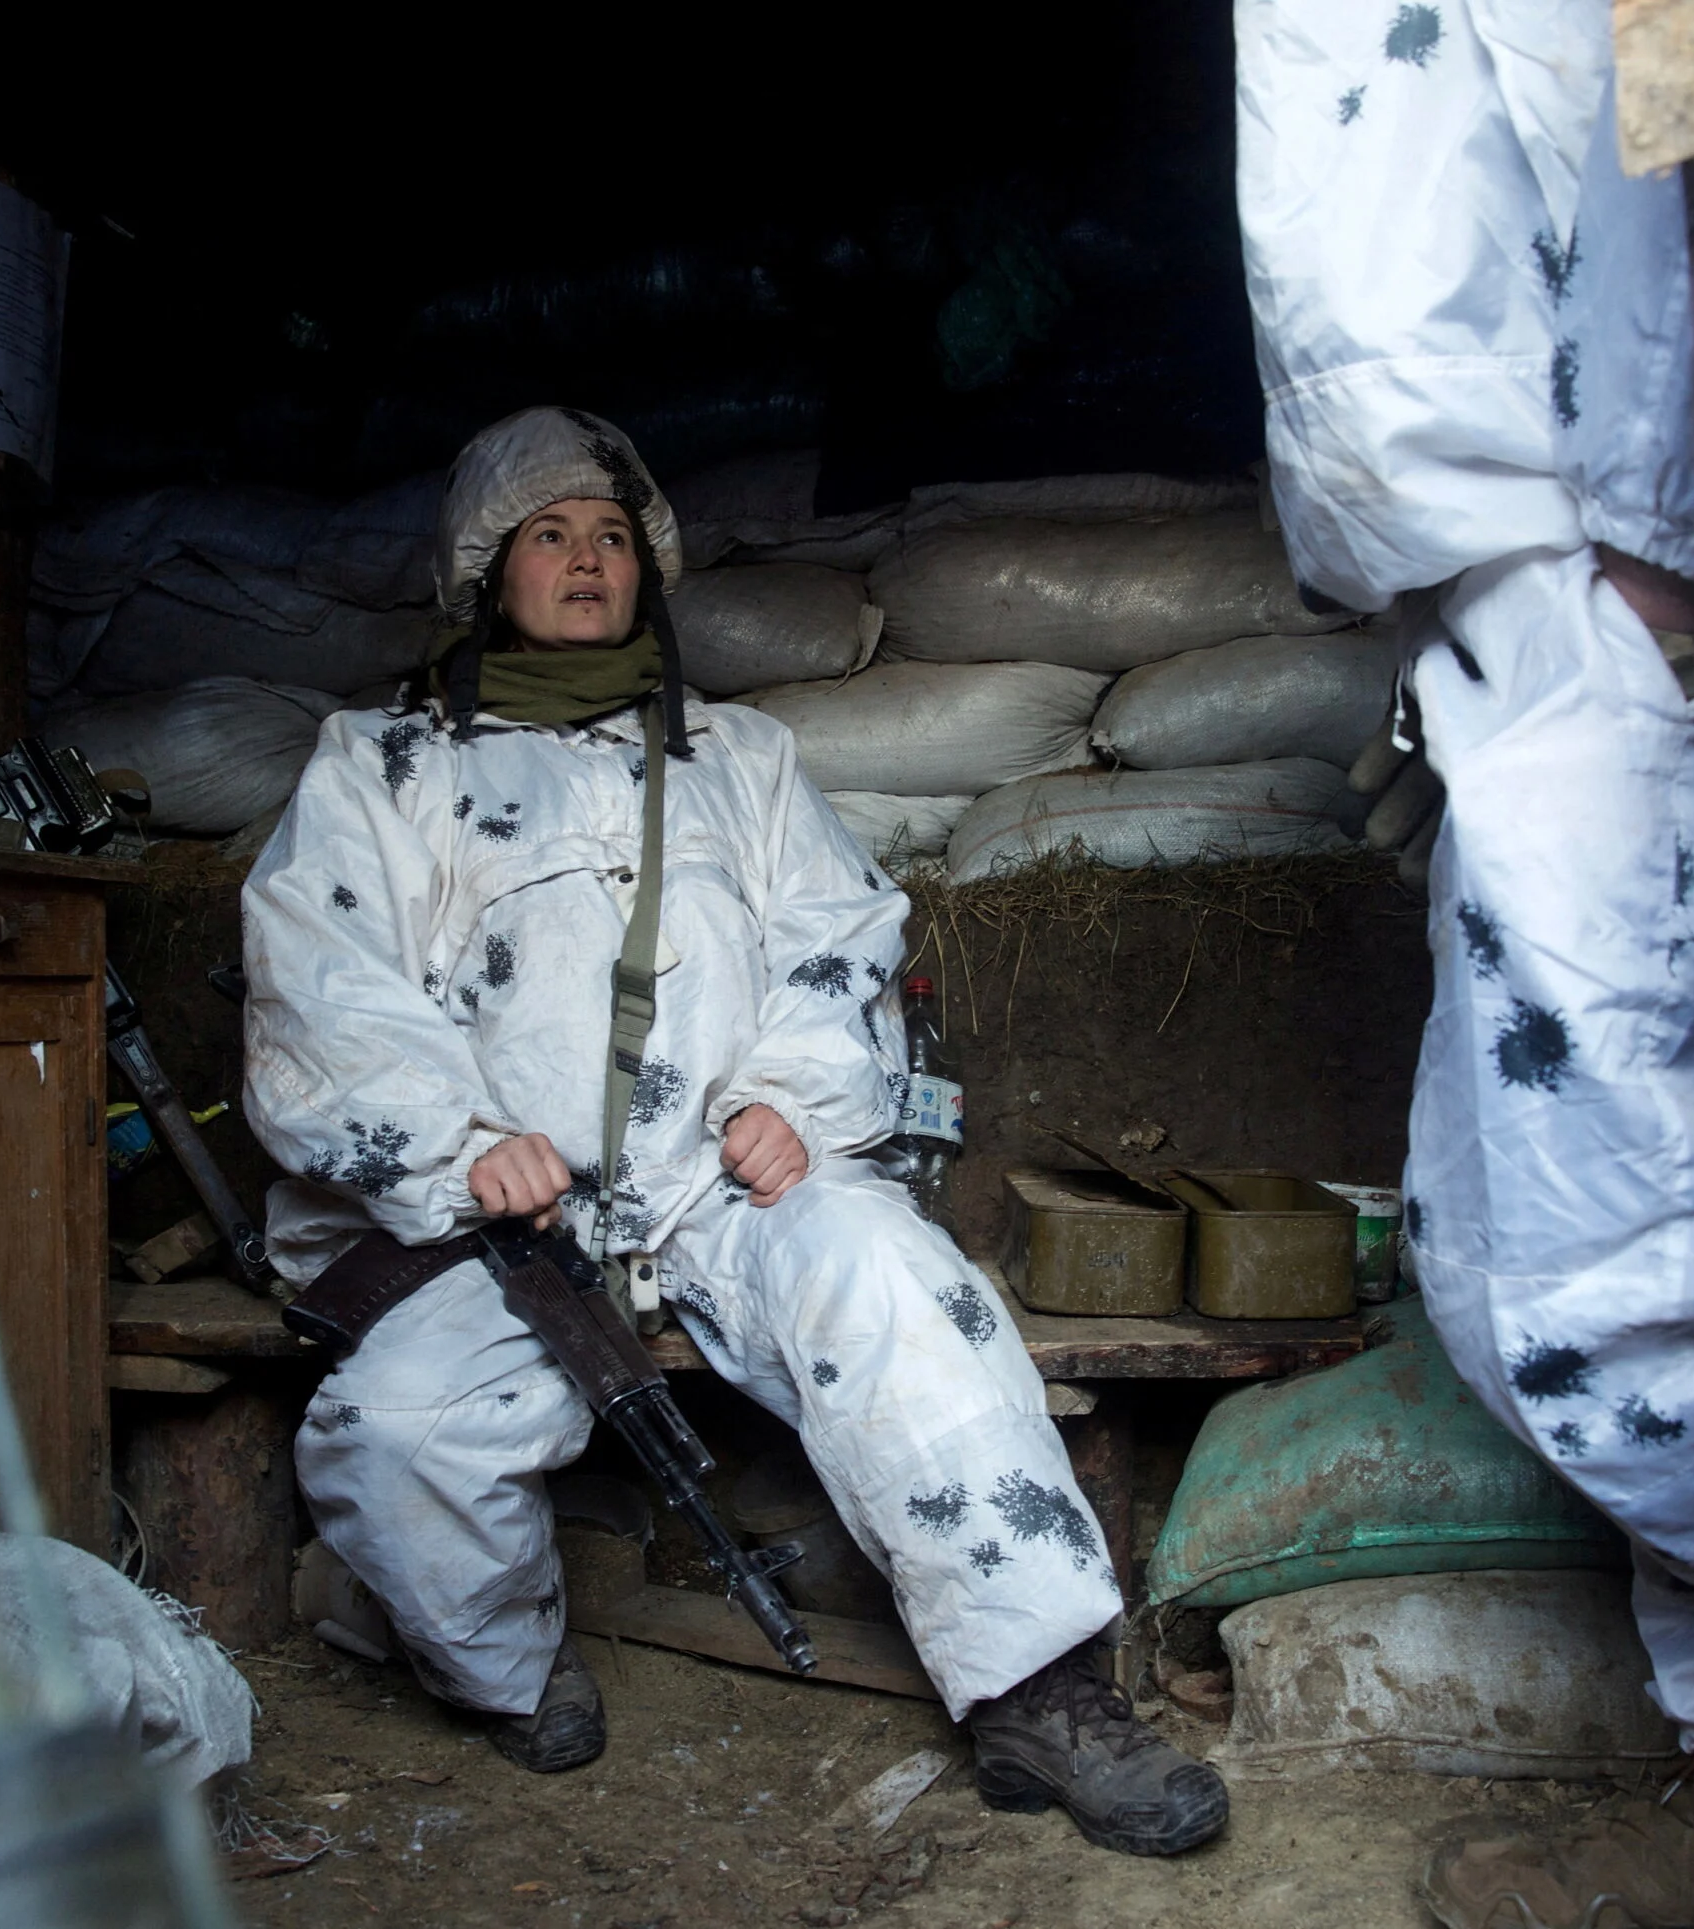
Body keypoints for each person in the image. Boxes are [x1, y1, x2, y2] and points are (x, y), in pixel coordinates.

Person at [239, 406, 1228, 1856]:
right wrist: (455, 1142)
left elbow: (839, 937)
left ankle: (1040, 1688)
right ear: (485, 571)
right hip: (507, 1210)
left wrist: (795, 1099)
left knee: (901, 1292)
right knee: (398, 1431)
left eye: (613, 537)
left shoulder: (742, 757)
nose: (588, 562)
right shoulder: (380, 766)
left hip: (718, 1181)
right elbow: (322, 977)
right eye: (549, 536)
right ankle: (499, 1670)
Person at [1236, 4, 1694, 1919]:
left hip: (1613, 570)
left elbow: (1690, 116)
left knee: (1629, 1249)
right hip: (1506, 579)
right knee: (1536, 1227)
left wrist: (1657, 520)